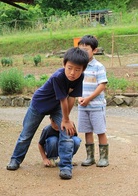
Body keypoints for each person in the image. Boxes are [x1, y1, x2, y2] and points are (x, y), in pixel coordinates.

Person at [6, 47, 89, 180]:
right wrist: (66, 119)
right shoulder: (58, 76)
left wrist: (66, 120)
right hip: (39, 104)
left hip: (57, 107)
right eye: (70, 68)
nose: (73, 73)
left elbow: (71, 98)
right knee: (26, 134)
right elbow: (63, 99)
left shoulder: (80, 77)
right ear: (64, 65)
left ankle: (66, 167)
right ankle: (15, 160)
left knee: (66, 133)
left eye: (77, 69)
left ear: (83, 69)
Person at [77, 35, 109, 167]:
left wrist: (89, 98)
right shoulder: (79, 66)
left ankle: (104, 158)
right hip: (83, 106)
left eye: (86, 49)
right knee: (87, 131)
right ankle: (90, 157)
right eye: (81, 50)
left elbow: (102, 85)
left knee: (100, 131)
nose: (83, 52)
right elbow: (76, 84)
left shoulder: (98, 66)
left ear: (94, 50)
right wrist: (79, 97)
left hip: (96, 106)